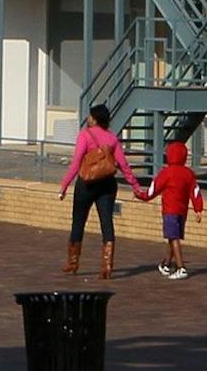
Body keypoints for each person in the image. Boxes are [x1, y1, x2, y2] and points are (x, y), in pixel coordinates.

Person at [58, 102, 141, 280]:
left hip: (86, 184)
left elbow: (76, 164)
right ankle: (107, 266)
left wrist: (64, 186)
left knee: (78, 222)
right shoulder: (112, 138)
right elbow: (124, 165)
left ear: (94, 119)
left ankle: (73, 263)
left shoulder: (85, 135)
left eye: (90, 116)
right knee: (107, 224)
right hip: (107, 185)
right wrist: (135, 186)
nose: (88, 118)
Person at [140, 139, 205, 280]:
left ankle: (181, 267)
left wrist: (142, 196)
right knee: (172, 236)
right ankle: (166, 264)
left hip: (170, 210)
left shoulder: (166, 173)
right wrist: (198, 209)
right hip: (183, 211)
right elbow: (195, 192)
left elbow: (154, 189)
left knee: (173, 237)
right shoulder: (188, 174)